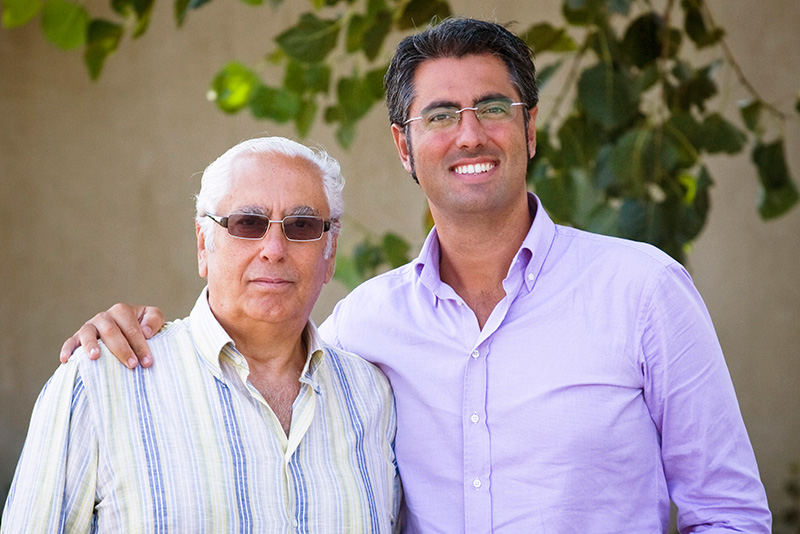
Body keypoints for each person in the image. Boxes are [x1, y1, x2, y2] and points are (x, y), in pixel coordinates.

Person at [56, 18, 771, 533]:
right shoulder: (363, 327)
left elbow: (729, 513)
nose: (470, 133)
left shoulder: (644, 291)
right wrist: (130, 331)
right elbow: (260, 371)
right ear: (404, 145)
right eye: (440, 115)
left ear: (530, 129)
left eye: (493, 108)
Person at [2, 137, 399, 532]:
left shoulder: (371, 397)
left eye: (301, 225)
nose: (274, 248)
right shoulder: (99, 382)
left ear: (330, 253)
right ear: (203, 246)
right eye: (248, 223)